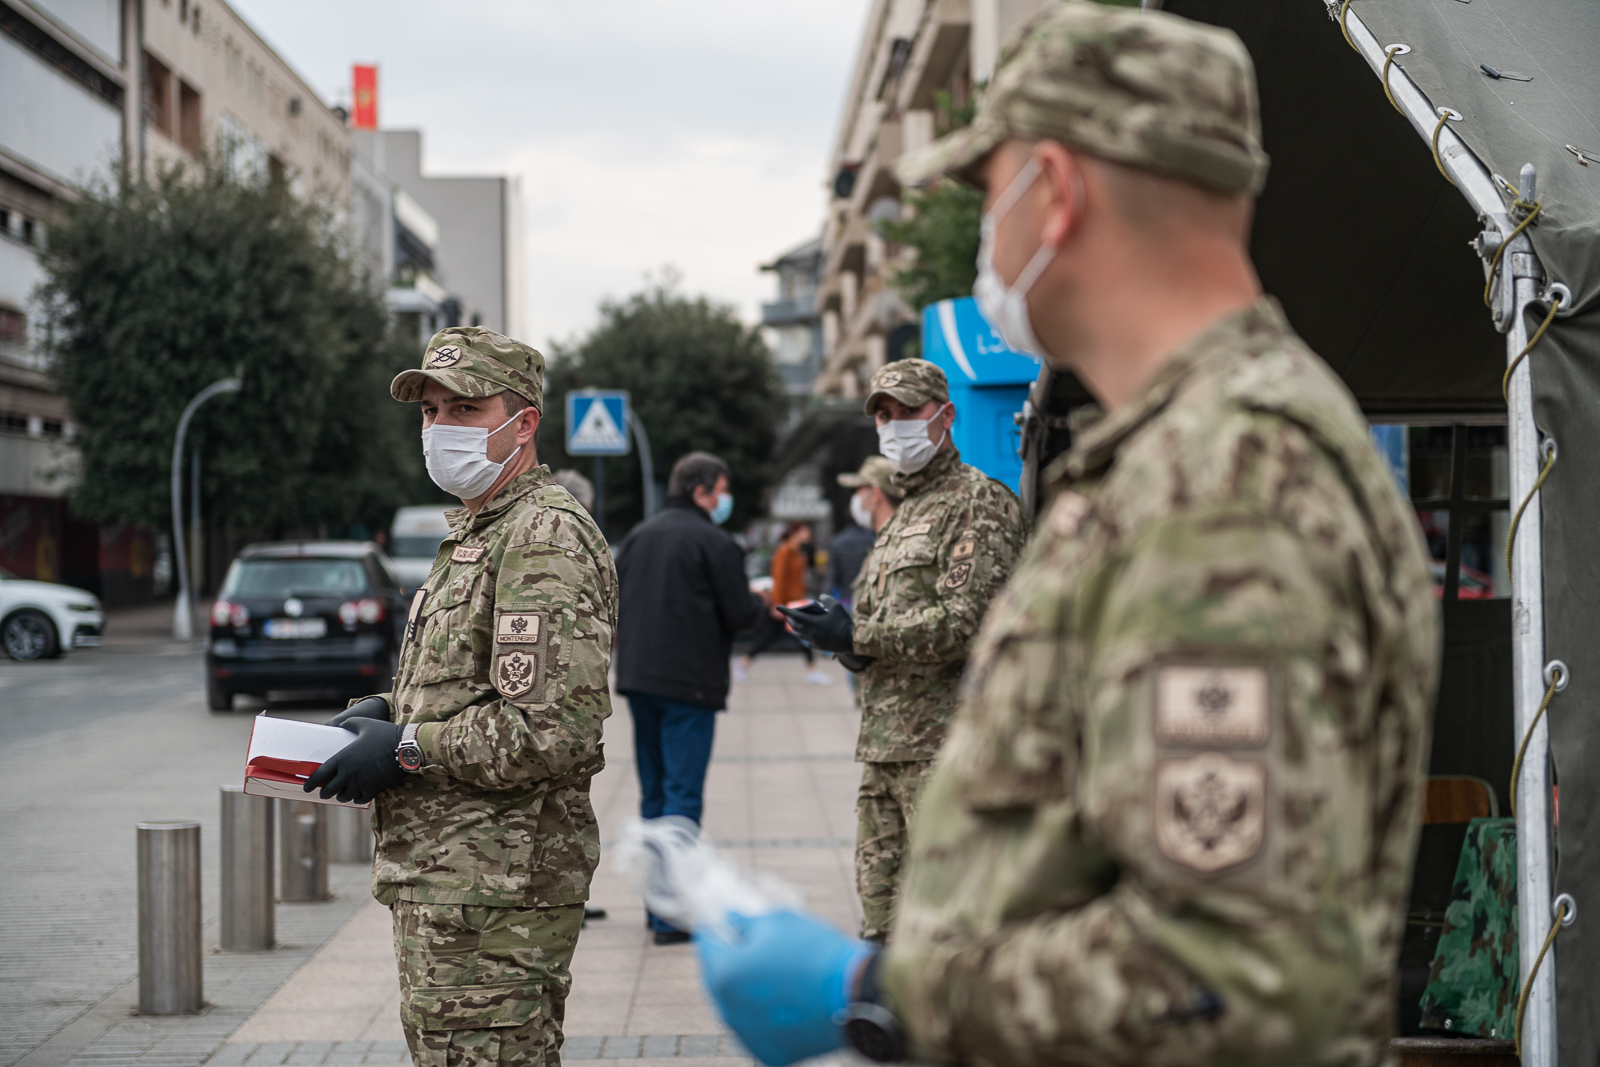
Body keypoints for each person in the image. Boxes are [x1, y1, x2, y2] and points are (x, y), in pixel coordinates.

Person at [694, 6, 1442, 1067]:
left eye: (986, 189)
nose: (983, 241)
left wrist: (884, 990)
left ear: (1053, 189)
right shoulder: (1185, 451)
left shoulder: (1225, 485)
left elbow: (1236, 975)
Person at [303, 326, 618, 1067]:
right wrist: (389, 710)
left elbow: (550, 729)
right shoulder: (483, 528)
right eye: (430, 410)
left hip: (499, 893)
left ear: (524, 424)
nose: (441, 427)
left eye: (465, 409)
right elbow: (475, 679)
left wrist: (408, 747)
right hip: (457, 881)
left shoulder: (542, 536)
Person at [781, 359, 1027, 943]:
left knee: (948, 929)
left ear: (946, 415)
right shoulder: (903, 514)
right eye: (884, 416)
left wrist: (857, 636)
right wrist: (839, 639)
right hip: (885, 751)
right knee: (883, 932)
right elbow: (882, 622)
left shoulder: (978, 503)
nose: (895, 426)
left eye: (909, 411)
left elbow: (966, 624)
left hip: (946, 752)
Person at [613, 451, 768, 943]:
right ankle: (671, 915)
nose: (725, 499)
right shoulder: (716, 542)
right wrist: (761, 601)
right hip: (690, 684)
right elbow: (740, 615)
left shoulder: (640, 535)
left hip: (639, 679)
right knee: (682, 798)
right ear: (702, 492)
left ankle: (656, 903)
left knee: (654, 794)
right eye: (722, 490)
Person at [740, 522, 829, 685]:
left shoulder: (798, 551)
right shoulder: (784, 551)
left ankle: (812, 670)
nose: (808, 535)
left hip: (794, 603)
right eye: (805, 532)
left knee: (796, 636)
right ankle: (744, 663)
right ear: (796, 533)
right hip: (785, 604)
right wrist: (777, 604)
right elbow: (779, 578)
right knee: (775, 636)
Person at [829, 457, 902, 606]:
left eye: (859, 491)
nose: (856, 499)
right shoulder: (882, 542)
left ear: (875, 494)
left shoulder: (899, 544)